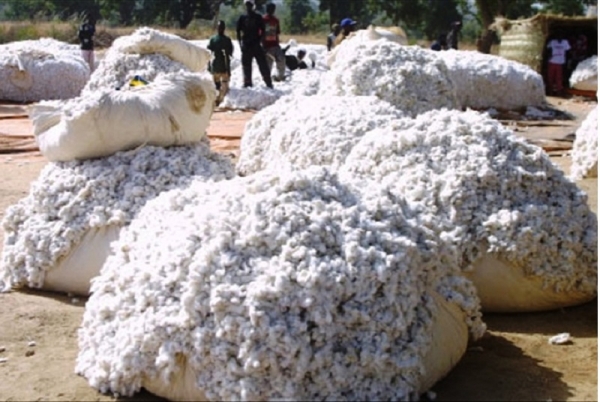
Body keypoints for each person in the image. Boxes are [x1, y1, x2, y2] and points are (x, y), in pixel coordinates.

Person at [236, 0, 273, 88]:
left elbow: (263, 30)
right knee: (246, 65)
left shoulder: (258, 17)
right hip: (246, 44)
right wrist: (240, 44)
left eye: (250, 4)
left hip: (255, 44)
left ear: (252, 5)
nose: (248, 6)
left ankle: (268, 82)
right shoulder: (242, 18)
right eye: (247, 4)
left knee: (262, 63)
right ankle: (247, 82)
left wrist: (260, 41)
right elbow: (238, 31)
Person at [208, 20, 234, 106]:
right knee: (216, 85)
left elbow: (230, 52)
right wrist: (209, 65)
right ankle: (217, 100)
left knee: (225, 85)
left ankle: (223, 101)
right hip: (216, 65)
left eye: (222, 28)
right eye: (219, 27)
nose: (220, 29)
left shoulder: (227, 40)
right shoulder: (213, 39)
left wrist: (226, 52)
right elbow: (209, 52)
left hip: (225, 66)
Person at [262, 3, 286, 82]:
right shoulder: (263, 20)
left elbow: (277, 33)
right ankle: (267, 79)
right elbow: (260, 33)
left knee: (281, 60)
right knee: (268, 64)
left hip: (275, 45)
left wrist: (278, 43)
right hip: (266, 46)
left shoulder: (276, 20)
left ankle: (280, 77)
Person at [546, 31, 571, 96]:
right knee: (550, 77)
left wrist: (567, 61)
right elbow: (548, 50)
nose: (559, 37)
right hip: (552, 61)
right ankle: (550, 90)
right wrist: (549, 56)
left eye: (561, 36)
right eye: (558, 36)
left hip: (560, 62)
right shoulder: (552, 42)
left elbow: (568, 52)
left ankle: (559, 91)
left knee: (559, 77)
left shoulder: (565, 42)